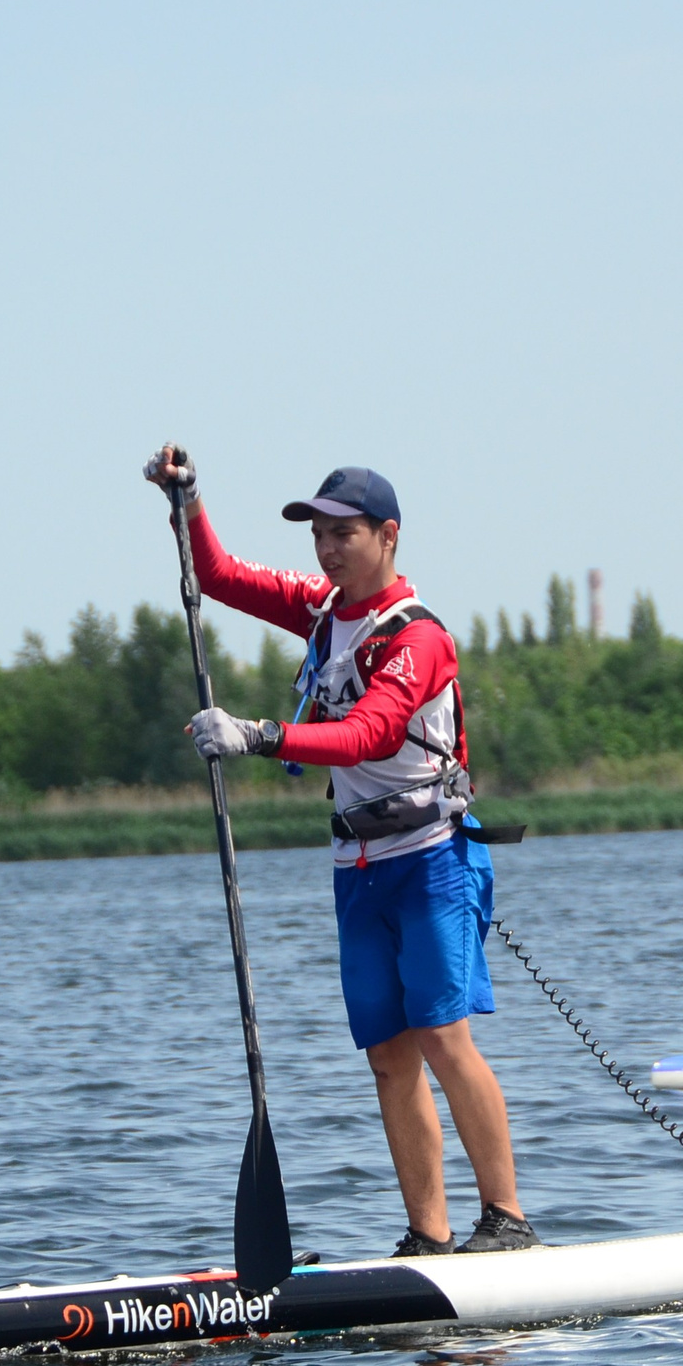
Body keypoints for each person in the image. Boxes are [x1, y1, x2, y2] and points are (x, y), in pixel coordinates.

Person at [144, 443, 539, 1257]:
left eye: (343, 533)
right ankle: (428, 1238)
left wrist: (257, 734)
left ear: (387, 536)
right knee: (389, 1058)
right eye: (317, 534)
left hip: (432, 859)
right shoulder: (325, 612)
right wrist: (189, 502)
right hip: (358, 871)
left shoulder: (419, 637)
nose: (326, 549)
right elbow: (218, 578)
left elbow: (370, 733)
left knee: (443, 1039)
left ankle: (507, 1221)